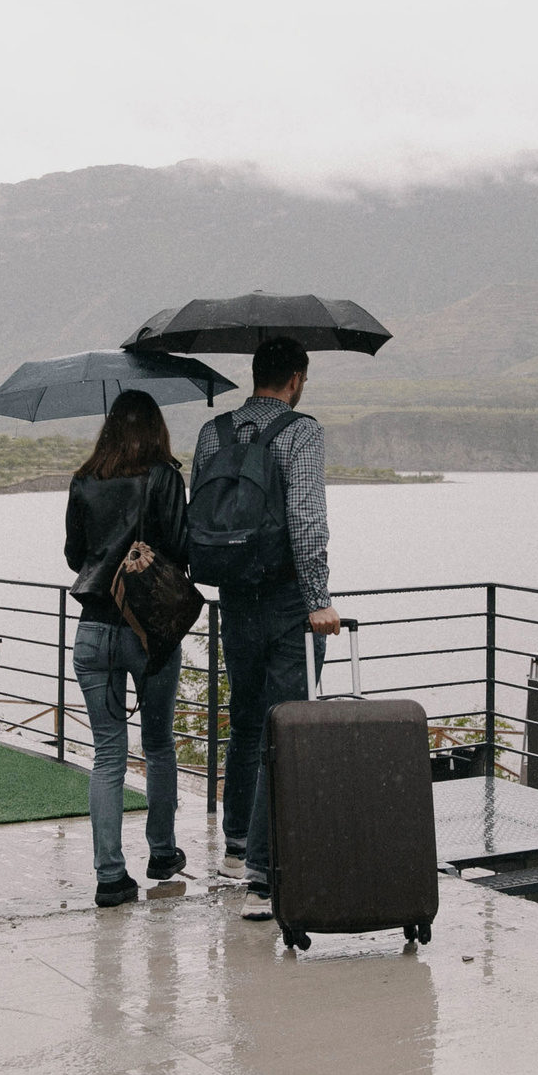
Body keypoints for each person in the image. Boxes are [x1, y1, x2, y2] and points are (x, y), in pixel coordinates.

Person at [194, 335, 337, 918]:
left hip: (232, 595)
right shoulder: (302, 432)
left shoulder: (213, 433)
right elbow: (306, 520)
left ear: (254, 375)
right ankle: (261, 877)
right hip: (284, 601)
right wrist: (319, 599)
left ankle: (235, 844)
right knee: (288, 726)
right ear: (297, 378)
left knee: (248, 719)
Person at [64, 389, 192, 907]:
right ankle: (161, 852)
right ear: (156, 427)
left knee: (107, 753)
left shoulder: (83, 479)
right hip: (150, 631)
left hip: (93, 630)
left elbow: (76, 556)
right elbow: (183, 550)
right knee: (158, 746)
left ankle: (110, 876)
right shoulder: (164, 477)